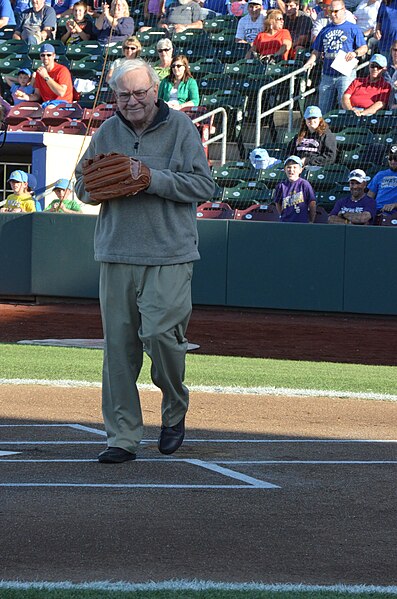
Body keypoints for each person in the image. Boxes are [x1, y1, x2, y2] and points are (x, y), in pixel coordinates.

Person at [74, 59, 214, 464]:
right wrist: (96, 185)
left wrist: (150, 177)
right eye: (123, 95)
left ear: (156, 91)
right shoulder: (106, 130)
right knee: (118, 351)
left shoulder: (182, 129)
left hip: (170, 254)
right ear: (114, 97)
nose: (132, 101)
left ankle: (174, 407)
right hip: (116, 252)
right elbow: (83, 188)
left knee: (161, 337)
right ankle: (122, 437)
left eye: (139, 93)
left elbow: (205, 185)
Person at [305, 0, 367, 116]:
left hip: (345, 74)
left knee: (345, 108)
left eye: (336, 11)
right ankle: (324, 133)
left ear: (344, 10)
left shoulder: (353, 28)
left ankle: (346, 131)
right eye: (331, 11)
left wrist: (355, 53)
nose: (333, 14)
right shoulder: (325, 29)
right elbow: (316, 50)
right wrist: (310, 62)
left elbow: (364, 47)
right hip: (327, 75)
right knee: (323, 110)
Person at [274, 155, 316, 222]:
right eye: (289, 167)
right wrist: (282, 215)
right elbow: (278, 203)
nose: (291, 170)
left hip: (302, 222)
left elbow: (312, 203)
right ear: (284, 169)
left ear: (300, 170)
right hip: (286, 221)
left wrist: (311, 220)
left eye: (295, 167)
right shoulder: (281, 186)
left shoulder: (304, 184)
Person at [367, 145, 397, 214]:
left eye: (396, 159)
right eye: (390, 158)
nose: (392, 162)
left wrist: (394, 205)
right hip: (378, 212)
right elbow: (370, 196)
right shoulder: (380, 175)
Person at [384, 40, 397, 108]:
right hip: (385, 102)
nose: (396, 53)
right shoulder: (383, 69)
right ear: (391, 51)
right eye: (395, 50)